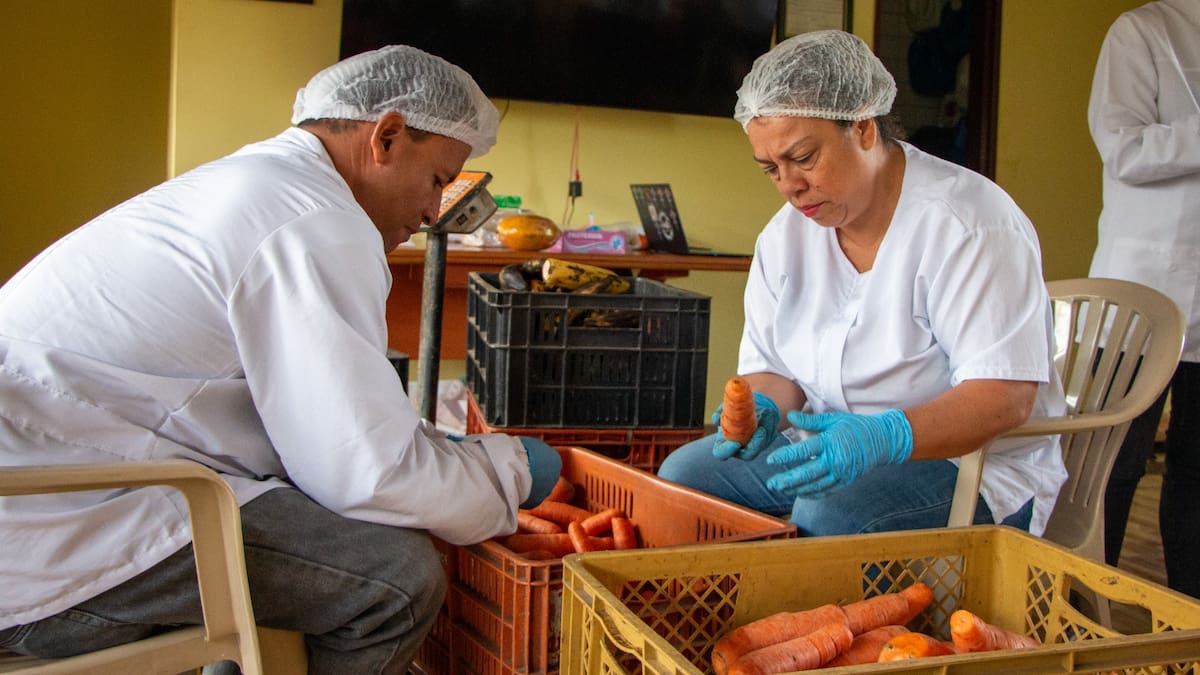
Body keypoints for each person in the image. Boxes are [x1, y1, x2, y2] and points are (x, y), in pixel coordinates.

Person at [0, 45, 563, 673]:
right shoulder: (315, 219)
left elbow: (317, 430)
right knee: (397, 581)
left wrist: (452, 457)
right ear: (388, 136)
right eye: (437, 180)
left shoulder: (261, 182)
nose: (435, 213)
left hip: (52, 480)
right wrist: (505, 474)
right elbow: (365, 471)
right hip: (43, 542)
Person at [657, 30, 1068, 538]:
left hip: (966, 464)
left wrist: (885, 437)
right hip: (829, 444)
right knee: (683, 482)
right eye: (770, 169)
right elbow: (775, 371)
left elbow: (1004, 397)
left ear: (865, 128)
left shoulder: (970, 227)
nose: (789, 185)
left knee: (831, 514)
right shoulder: (784, 239)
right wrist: (762, 408)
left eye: (804, 158)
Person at [1089, 0, 1200, 598]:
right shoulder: (1142, 31)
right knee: (1111, 466)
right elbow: (1123, 148)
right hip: (1140, 295)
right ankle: (1081, 603)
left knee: (1197, 473)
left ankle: (1189, 616)